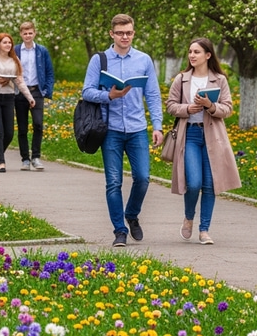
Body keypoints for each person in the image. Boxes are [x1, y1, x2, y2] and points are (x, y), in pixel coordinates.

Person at [82, 13, 163, 247]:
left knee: (143, 178)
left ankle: (132, 214)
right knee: (113, 182)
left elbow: (153, 94)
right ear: (112, 34)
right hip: (111, 130)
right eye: (120, 33)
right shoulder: (99, 60)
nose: (124, 37)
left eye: (128, 33)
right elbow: (86, 91)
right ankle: (119, 230)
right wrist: (108, 96)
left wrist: (157, 126)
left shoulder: (143, 60)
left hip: (137, 128)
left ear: (133, 33)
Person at [166, 38, 241, 245]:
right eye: (190, 51)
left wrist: (210, 105)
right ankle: (189, 217)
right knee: (194, 183)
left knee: (209, 185)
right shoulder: (181, 79)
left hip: (213, 137)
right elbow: (171, 105)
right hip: (189, 135)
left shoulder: (220, 80)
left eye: (197, 52)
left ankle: (204, 230)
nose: (192, 55)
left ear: (208, 55)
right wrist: (187, 109)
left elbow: (227, 108)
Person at [0, 32, 35, 173]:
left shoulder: (15, 60)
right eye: (5, 42)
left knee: (9, 133)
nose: (8, 45)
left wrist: (30, 97)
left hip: (9, 98)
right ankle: (1, 163)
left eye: (9, 42)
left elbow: (20, 81)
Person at [14, 20, 55, 171]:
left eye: (30, 33)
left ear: (34, 33)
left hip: (37, 91)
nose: (28, 36)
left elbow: (49, 72)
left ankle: (36, 157)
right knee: (22, 127)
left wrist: (46, 90)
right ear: (21, 34)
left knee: (38, 124)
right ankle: (25, 159)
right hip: (20, 92)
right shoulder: (15, 51)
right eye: (25, 33)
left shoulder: (41, 51)